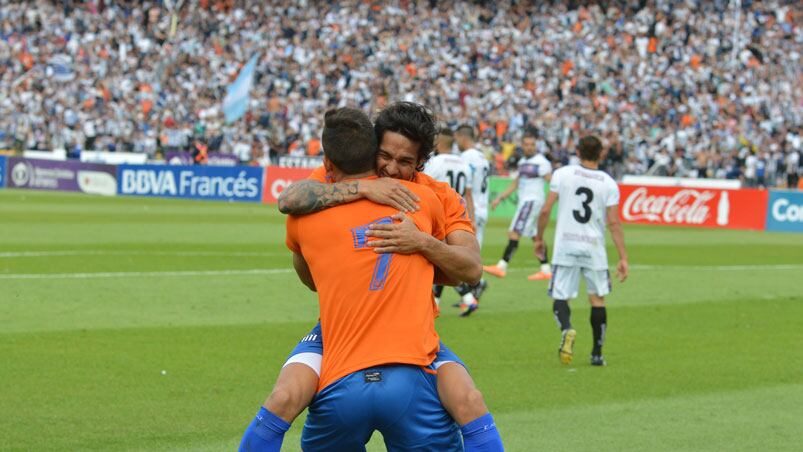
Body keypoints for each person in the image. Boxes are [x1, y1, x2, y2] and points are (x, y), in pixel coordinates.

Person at [244, 103, 503, 451]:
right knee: (285, 394)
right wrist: (364, 189)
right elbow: (289, 198)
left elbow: (471, 268)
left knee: (469, 398)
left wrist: (422, 244)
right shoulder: (357, 178)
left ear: (421, 163)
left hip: (404, 327)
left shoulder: (438, 195)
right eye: (385, 156)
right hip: (347, 324)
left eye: (405, 162)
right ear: (372, 147)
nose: (391, 169)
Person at [534, 135, 629, 367]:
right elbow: (613, 223)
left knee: (560, 296)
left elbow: (546, 210)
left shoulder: (563, 174)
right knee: (597, 299)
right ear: (601, 154)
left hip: (566, 245)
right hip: (594, 248)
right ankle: (597, 354)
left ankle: (567, 329)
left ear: (577, 151)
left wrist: (539, 238)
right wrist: (623, 257)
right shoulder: (607, 182)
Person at [424, 126, 483, 312]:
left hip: (439, 215)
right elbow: (468, 194)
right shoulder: (463, 164)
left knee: (439, 259)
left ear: (438, 143)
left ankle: (466, 297)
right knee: (447, 259)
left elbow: (424, 188)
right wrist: (470, 218)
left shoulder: (434, 163)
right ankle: (444, 302)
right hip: (457, 217)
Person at [483, 132, 553, 281]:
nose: (529, 147)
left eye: (532, 144)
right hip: (526, 202)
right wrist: (500, 198)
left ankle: (502, 266)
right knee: (535, 236)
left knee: (514, 232)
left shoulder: (541, 162)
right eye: (526, 144)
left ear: (536, 146)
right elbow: (515, 183)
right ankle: (546, 269)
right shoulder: (522, 163)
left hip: (532, 201)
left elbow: (551, 181)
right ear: (522, 145)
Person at [453, 124, 492, 315]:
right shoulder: (482, 156)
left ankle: (470, 294)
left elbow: (465, 187)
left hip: (470, 209)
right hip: (482, 207)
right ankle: (471, 292)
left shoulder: (465, 158)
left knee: (457, 255)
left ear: (462, 137)